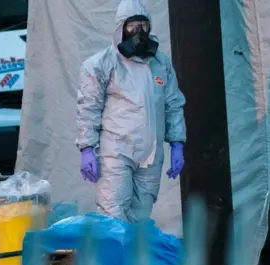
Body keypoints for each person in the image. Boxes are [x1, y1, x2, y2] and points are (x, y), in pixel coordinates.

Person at [75, 0, 186, 223]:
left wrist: (177, 143)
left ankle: (135, 259)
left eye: (143, 25)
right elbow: (89, 107)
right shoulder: (101, 65)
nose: (139, 31)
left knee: (141, 218)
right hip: (117, 152)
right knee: (113, 215)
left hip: (151, 154)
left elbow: (173, 104)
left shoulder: (161, 63)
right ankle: (114, 259)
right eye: (132, 25)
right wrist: (87, 147)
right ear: (120, 28)